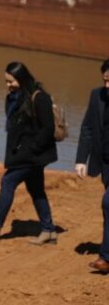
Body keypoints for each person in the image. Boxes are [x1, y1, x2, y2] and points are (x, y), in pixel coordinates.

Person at [0, 61, 59, 244]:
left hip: (32, 155)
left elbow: (48, 128)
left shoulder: (39, 97)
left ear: (22, 78)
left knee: (8, 181)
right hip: (24, 153)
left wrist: (33, 148)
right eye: (6, 81)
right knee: (36, 190)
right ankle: (49, 230)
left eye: (11, 81)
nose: (8, 85)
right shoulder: (13, 98)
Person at [75, 58, 109, 273]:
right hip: (104, 162)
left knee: (108, 203)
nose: (107, 85)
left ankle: (105, 257)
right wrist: (81, 159)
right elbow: (87, 128)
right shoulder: (96, 95)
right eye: (105, 79)